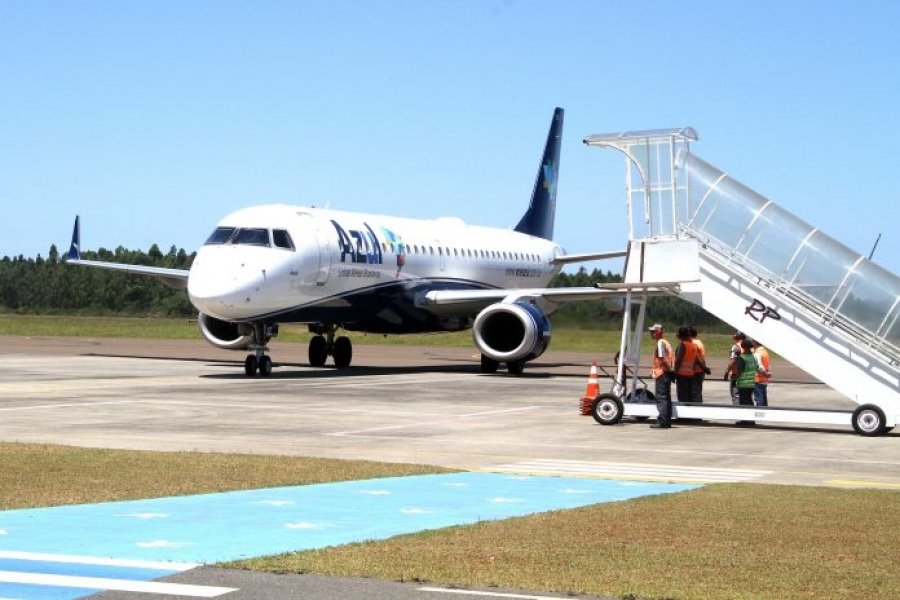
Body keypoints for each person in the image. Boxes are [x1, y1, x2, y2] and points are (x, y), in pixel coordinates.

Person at [648, 323, 673, 429]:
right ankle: (667, 420)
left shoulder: (660, 343)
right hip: (665, 373)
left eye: (653, 332)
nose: (651, 334)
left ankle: (662, 421)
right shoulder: (666, 342)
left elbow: (663, 359)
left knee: (661, 398)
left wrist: (670, 371)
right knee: (666, 398)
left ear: (658, 332)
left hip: (662, 374)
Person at [673, 326, 706, 405]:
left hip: (681, 375)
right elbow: (697, 359)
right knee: (690, 396)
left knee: (682, 397)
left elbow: (678, 360)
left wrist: (675, 372)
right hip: (690, 374)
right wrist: (704, 368)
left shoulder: (682, 345)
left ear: (681, 335)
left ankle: (684, 411)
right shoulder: (693, 345)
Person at [730, 338, 758, 426]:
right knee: (750, 401)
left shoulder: (742, 358)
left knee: (744, 402)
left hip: (743, 383)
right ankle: (751, 420)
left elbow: (739, 371)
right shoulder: (753, 357)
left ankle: (746, 420)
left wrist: (734, 379)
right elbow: (757, 367)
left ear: (743, 347)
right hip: (751, 382)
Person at [688, 325, 710, 403]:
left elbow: (695, 358)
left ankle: (696, 408)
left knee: (694, 393)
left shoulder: (693, 343)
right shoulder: (699, 342)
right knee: (697, 392)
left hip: (695, 372)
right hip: (700, 371)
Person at [724, 331, 746, 405]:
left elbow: (733, 361)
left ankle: (737, 410)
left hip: (736, 375)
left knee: (736, 395)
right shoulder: (749, 346)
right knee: (745, 396)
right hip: (746, 375)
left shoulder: (736, 346)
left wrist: (727, 372)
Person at [751, 339, 771, 407]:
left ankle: (760, 412)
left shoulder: (757, 353)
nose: (751, 343)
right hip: (764, 380)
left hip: (758, 379)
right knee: (764, 399)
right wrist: (767, 373)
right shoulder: (764, 351)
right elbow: (767, 365)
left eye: (752, 341)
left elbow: (759, 366)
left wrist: (765, 373)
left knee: (759, 399)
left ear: (755, 342)